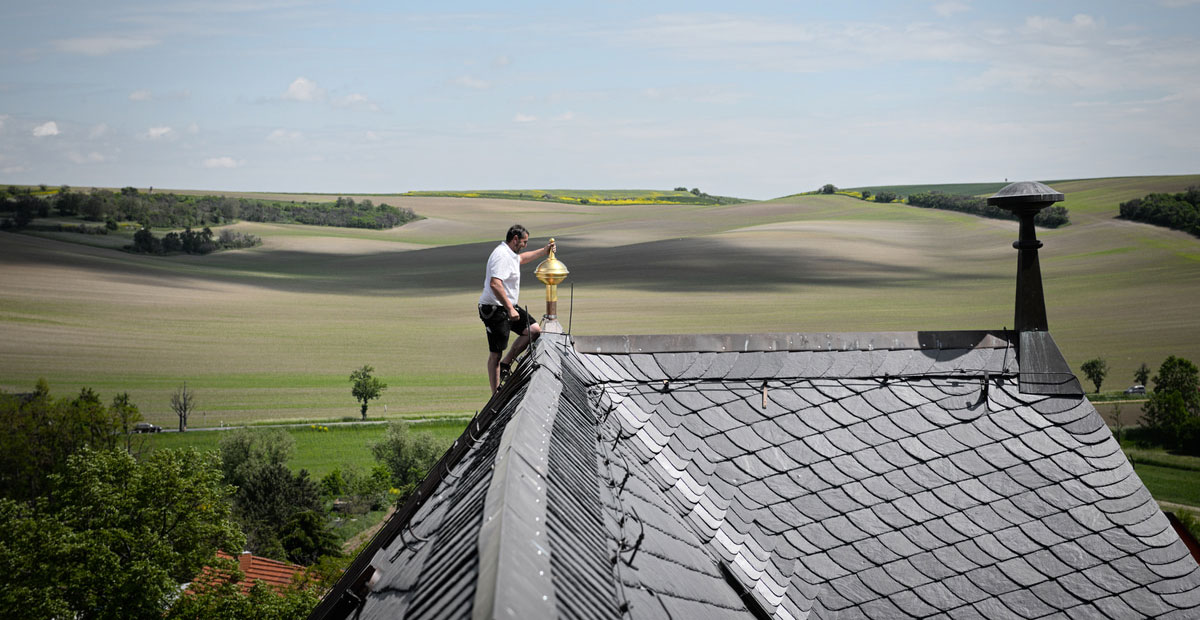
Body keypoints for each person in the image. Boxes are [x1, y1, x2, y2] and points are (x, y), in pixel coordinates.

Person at [478, 225, 555, 393]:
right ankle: (496, 393)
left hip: (506, 305)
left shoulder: (511, 255)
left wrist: (544, 250)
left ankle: (507, 363)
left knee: (533, 330)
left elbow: (522, 259)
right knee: (496, 353)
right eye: (524, 242)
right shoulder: (501, 256)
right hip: (495, 308)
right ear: (515, 239)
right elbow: (495, 284)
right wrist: (510, 308)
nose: (525, 246)